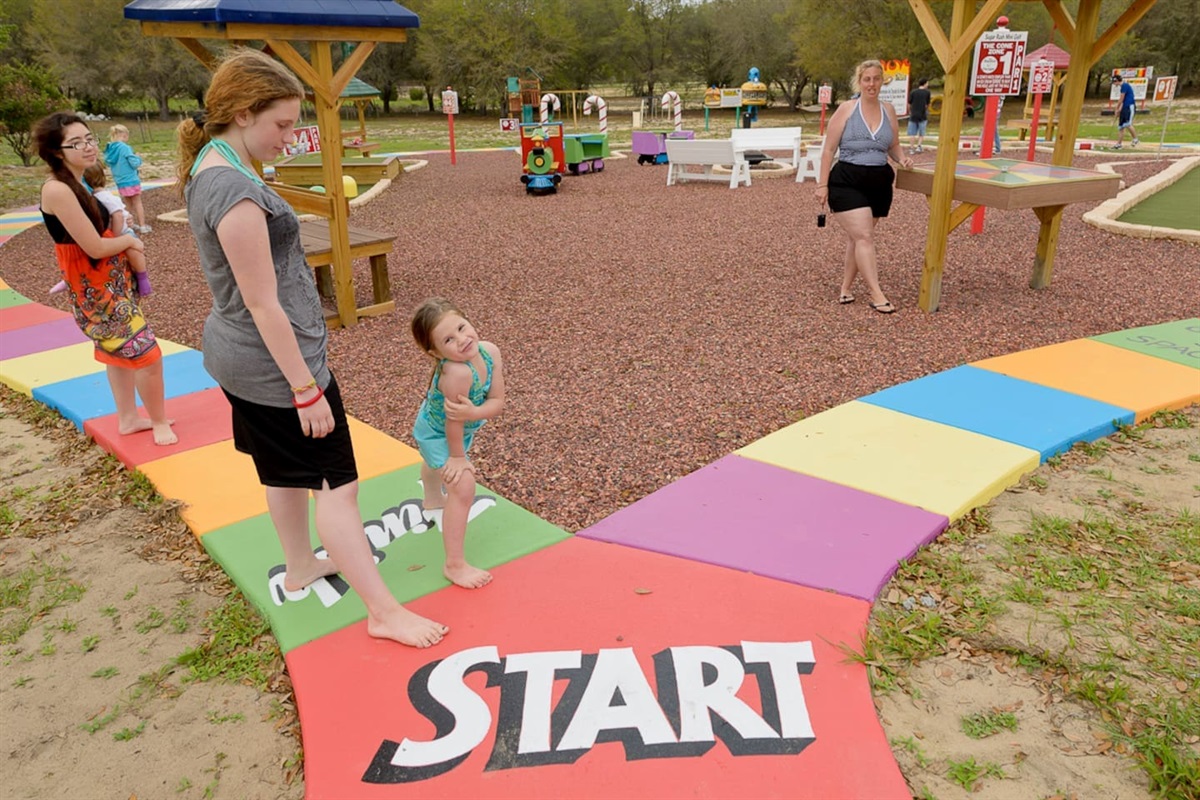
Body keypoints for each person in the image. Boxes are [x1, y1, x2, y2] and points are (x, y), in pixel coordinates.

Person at [176, 48, 447, 648]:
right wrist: (305, 388)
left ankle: (300, 566)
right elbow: (262, 303)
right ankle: (382, 611)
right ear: (244, 113)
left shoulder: (218, 163)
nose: (290, 137)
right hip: (274, 367)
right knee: (336, 486)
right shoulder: (233, 190)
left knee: (283, 471)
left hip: (244, 359)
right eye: (282, 124)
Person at [33, 112, 176, 445]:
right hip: (95, 290)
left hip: (110, 282)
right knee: (147, 355)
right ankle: (158, 422)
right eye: (76, 143)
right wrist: (130, 240)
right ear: (56, 151)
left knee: (119, 354)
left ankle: (128, 419)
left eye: (89, 139)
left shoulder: (78, 182)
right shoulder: (57, 189)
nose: (87, 147)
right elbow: (94, 247)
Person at [410, 298, 506, 590]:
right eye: (449, 340)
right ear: (435, 353)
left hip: (462, 425)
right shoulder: (457, 373)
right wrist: (457, 458)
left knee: (436, 466)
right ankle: (454, 564)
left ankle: (431, 497)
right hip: (438, 433)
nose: (463, 340)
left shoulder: (490, 352)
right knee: (462, 486)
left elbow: (497, 401)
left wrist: (474, 413)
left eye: (462, 328)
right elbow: (453, 423)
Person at [816, 59, 913, 314]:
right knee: (864, 236)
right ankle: (876, 293)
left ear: (882, 81)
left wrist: (902, 158)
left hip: (879, 181)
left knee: (857, 238)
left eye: (876, 79)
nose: (872, 84)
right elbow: (828, 150)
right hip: (847, 179)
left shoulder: (888, 110)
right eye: (866, 79)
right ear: (859, 82)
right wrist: (822, 184)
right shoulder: (847, 109)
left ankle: (845, 288)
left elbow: (892, 145)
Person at [104, 124, 151, 233]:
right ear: (124, 135)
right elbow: (134, 163)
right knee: (137, 202)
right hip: (131, 179)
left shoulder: (110, 149)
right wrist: (138, 159)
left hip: (120, 181)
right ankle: (142, 225)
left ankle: (126, 225)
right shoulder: (125, 148)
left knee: (127, 203)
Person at [1112, 75, 1140, 149]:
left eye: (1114, 82)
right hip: (1124, 107)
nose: (1114, 84)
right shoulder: (1122, 87)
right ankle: (1119, 144)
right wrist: (1119, 110)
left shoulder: (1125, 85)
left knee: (1128, 124)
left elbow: (1121, 98)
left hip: (1129, 107)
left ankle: (1135, 139)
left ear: (1117, 81)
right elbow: (1123, 101)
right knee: (1121, 126)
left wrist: (1116, 108)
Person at [907, 77, 931, 153]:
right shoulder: (927, 92)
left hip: (913, 115)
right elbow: (927, 104)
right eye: (927, 83)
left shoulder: (913, 92)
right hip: (922, 115)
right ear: (925, 83)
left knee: (912, 133)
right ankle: (919, 146)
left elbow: (909, 103)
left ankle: (911, 148)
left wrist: (910, 111)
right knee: (921, 133)